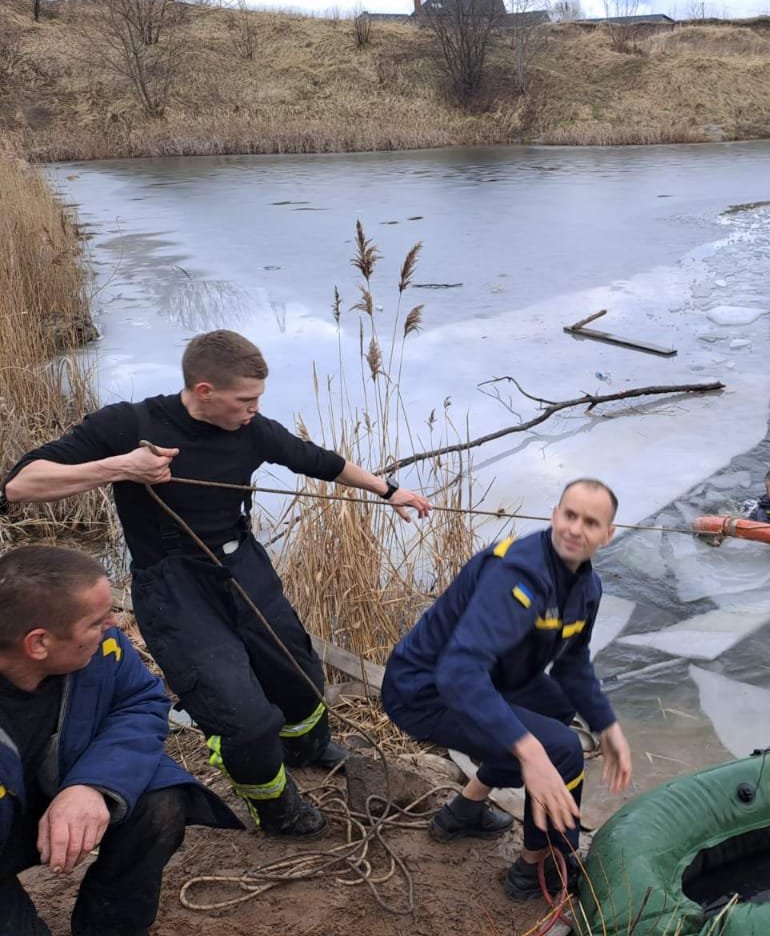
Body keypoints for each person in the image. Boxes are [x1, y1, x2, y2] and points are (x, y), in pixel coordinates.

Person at [1, 330, 431, 839]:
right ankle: (274, 807)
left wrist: (390, 491)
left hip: (241, 563)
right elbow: (19, 485)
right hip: (171, 583)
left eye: (258, 400)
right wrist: (124, 467)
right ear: (204, 391)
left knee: (296, 671)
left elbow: (320, 461)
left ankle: (307, 748)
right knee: (241, 714)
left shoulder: (253, 431)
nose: (253, 409)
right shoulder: (129, 425)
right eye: (245, 400)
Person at [381, 478, 632, 900]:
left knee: (559, 706)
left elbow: (571, 664)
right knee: (560, 749)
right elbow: (459, 672)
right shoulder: (518, 574)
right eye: (569, 515)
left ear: (607, 536)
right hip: (424, 690)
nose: (575, 529)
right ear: (554, 515)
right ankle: (536, 868)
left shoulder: (587, 588)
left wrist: (607, 726)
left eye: (590, 522)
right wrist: (529, 751)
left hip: (488, 679)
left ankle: (465, 809)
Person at [0, 545, 241, 936]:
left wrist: (93, 785)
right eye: (97, 621)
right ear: (38, 644)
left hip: (47, 796)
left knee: (159, 800)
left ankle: (109, 926)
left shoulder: (99, 650)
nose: (114, 623)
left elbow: (140, 700)